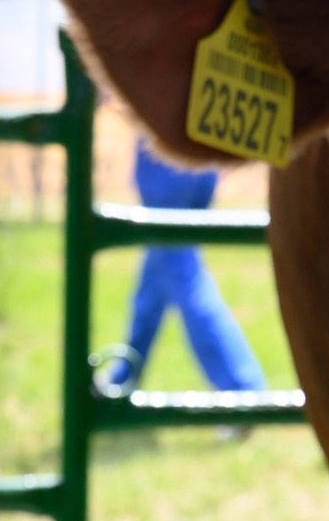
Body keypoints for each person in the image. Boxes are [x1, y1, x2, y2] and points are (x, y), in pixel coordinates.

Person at [99, 138, 269, 394]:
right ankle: (123, 380)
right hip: (201, 154)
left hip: (163, 155)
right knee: (157, 276)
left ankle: (242, 390)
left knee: (184, 276)